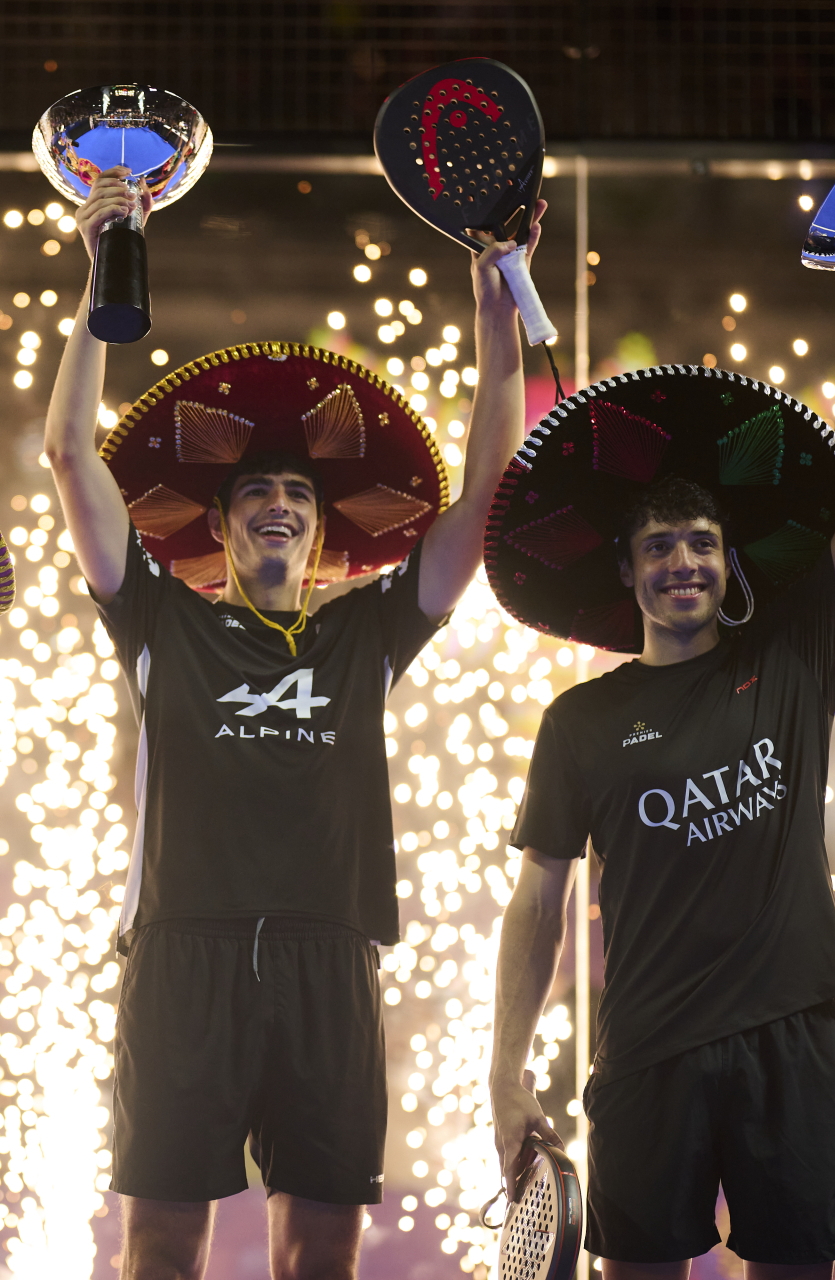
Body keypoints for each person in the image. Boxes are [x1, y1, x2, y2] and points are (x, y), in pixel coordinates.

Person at [45, 166, 541, 1280]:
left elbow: (490, 491)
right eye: (256, 492)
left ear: (323, 536)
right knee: (159, 1250)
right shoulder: (157, 618)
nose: (280, 502)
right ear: (216, 523)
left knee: (320, 1254)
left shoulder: (368, 633)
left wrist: (493, 312)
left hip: (329, 958)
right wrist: (97, 287)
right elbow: (70, 457)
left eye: (301, 496)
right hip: (184, 957)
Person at [488, 236, 835, 1278]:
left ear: (728, 563)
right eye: (659, 546)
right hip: (645, 1056)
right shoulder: (579, 720)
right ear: (625, 572)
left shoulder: (795, 654)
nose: (682, 561)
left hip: (790, 1042)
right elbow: (535, 901)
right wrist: (506, 1070)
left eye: (701, 542)